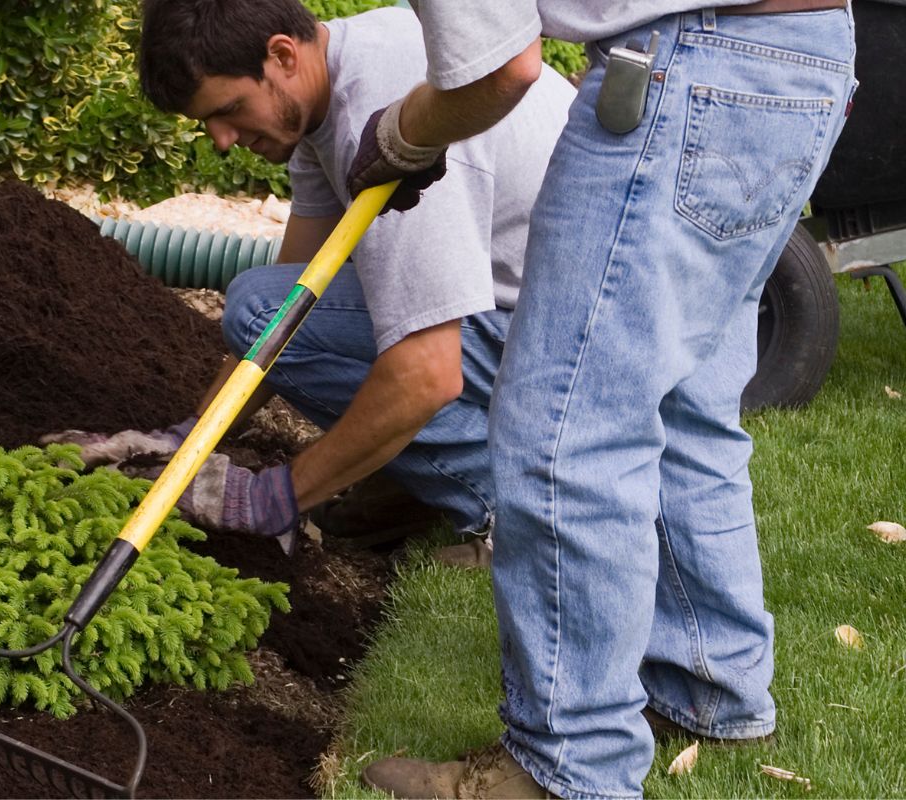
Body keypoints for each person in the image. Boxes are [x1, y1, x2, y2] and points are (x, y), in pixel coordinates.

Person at [350, 2, 858, 798]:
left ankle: (566, 765)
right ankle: (707, 682)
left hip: (686, 69)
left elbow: (501, 69)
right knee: (684, 404)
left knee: (565, 432)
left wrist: (399, 137)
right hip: (804, 56)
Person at [43, 0, 574, 561]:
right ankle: (416, 474)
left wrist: (275, 496)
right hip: (523, 311)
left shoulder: (395, 125)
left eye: (228, 110)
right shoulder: (329, 91)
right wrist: (189, 440)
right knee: (265, 310)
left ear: (282, 55)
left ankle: (520, 510)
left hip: (567, 347)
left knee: (262, 311)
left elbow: (427, 374)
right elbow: (286, 315)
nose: (222, 140)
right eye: (207, 123)